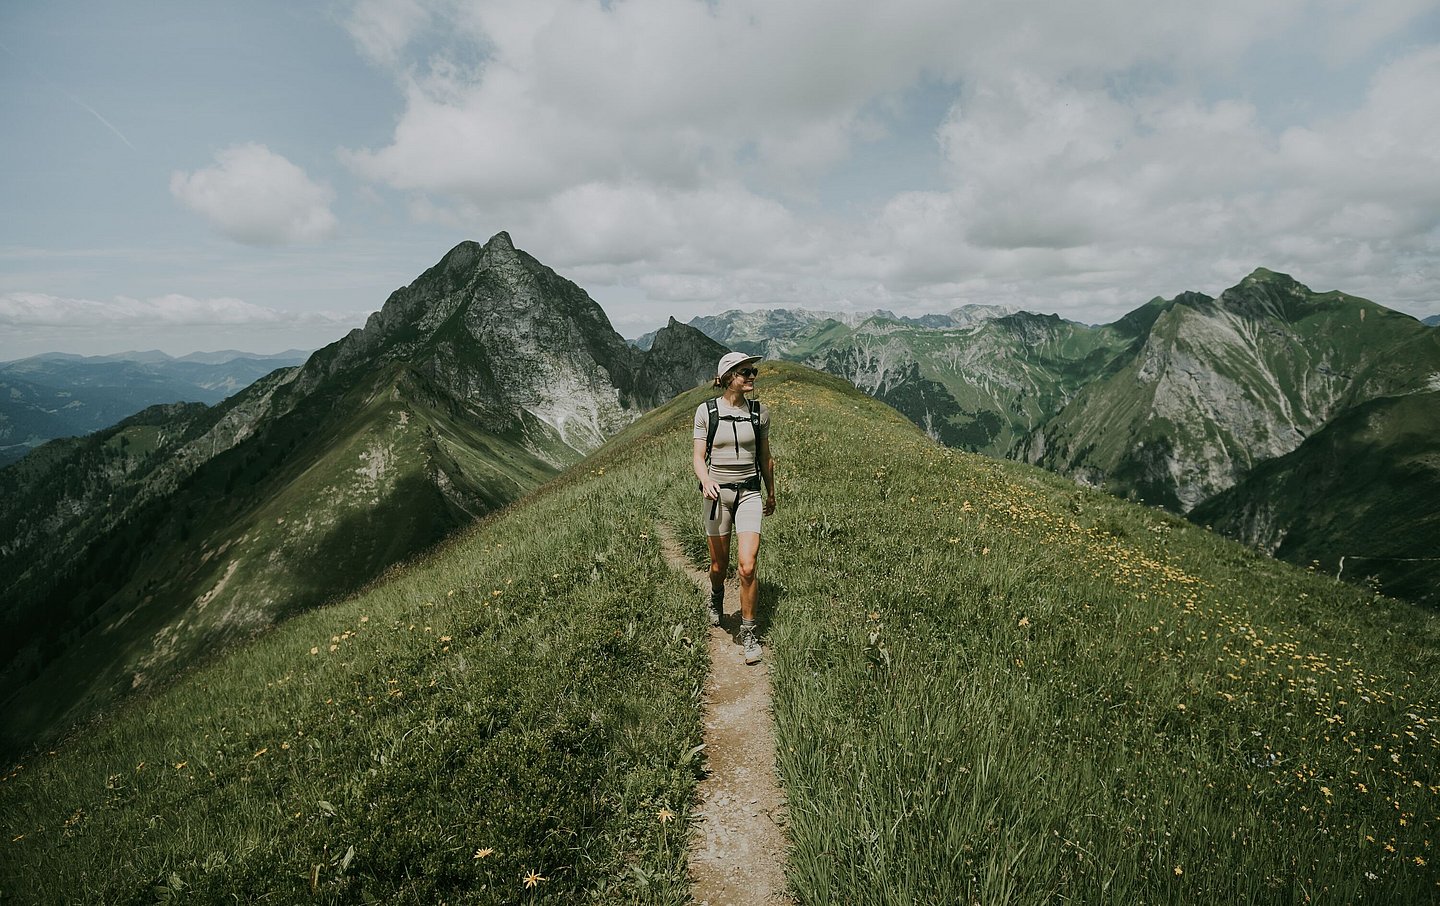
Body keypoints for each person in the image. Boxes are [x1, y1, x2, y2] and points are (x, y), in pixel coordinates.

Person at [693, 351, 776, 664]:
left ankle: (749, 631)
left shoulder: (759, 412)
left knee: (747, 566)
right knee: (718, 565)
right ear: (728, 377)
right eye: (745, 372)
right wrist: (705, 480)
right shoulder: (707, 412)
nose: (752, 376)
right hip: (717, 495)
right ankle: (716, 597)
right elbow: (698, 456)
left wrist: (771, 493)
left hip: (750, 494)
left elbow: (766, 457)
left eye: (754, 372)